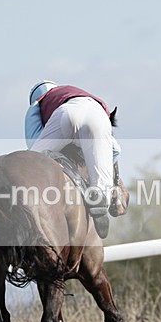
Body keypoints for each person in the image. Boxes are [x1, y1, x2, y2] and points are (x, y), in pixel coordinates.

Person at [24, 81, 121, 238]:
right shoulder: (75, 92)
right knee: (101, 188)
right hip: (98, 116)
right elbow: (115, 150)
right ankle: (101, 201)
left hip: (67, 115)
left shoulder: (37, 103)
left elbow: (32, 143)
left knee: (33, 161)